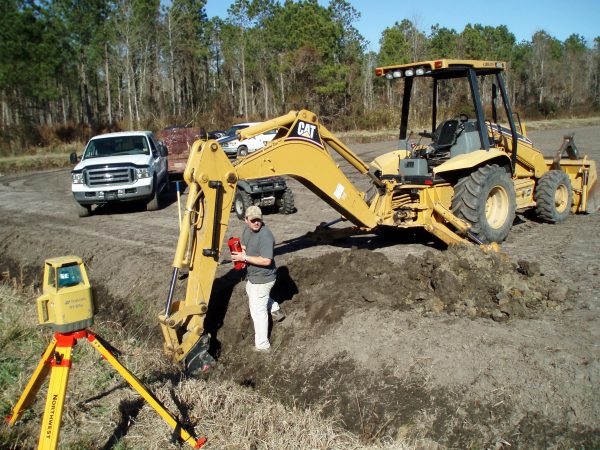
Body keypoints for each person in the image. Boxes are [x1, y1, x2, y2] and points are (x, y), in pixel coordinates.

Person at [231, 205, 285, 352]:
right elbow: (243, 245)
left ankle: (263, 346)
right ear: (246, 220)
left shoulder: (266, 236)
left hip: (264, 278)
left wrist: (245, 257)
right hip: (253, 275)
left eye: (258, 220)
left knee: (257, 311)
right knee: (250, 290)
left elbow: (267, 260)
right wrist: (240, 258)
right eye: (253, 220)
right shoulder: (246, 230)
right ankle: (274, 307)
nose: (256, 223)